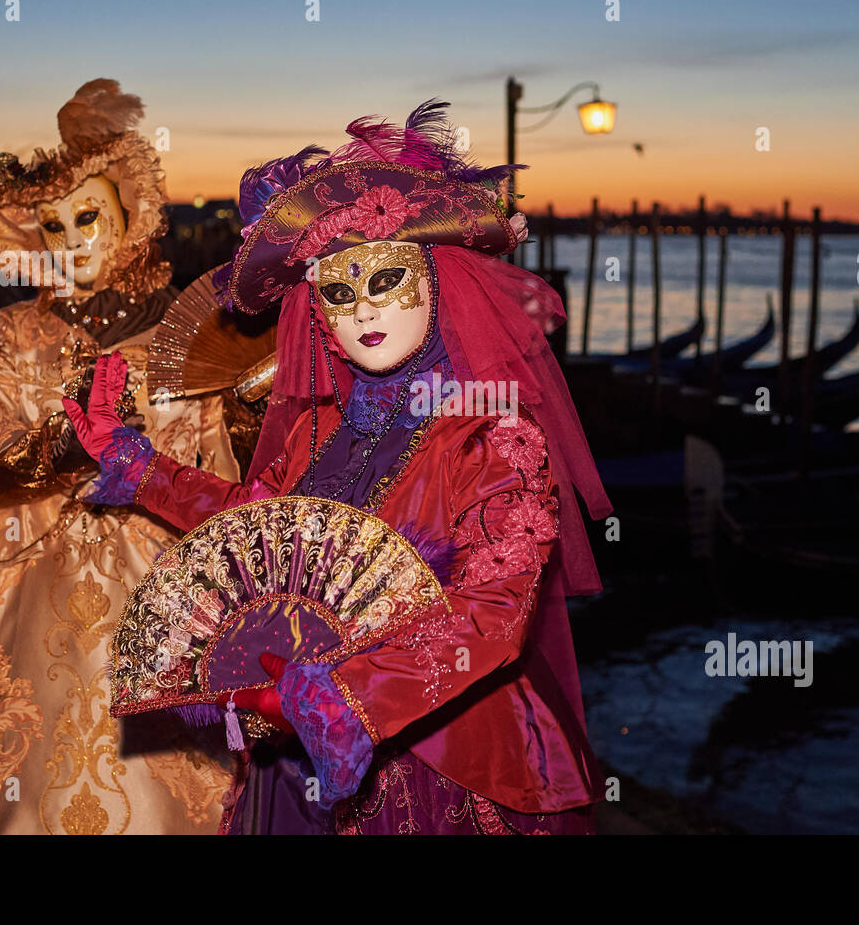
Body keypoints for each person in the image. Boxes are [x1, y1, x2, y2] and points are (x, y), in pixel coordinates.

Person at [67, 101, 611, 834]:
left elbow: (493, 613)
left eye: (385, 278)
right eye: (336, 289)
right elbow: (254, 531)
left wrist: (343, 699)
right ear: (315, 309)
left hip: (441, 758)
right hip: (291, 760)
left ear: (439, 277)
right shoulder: (322, 430)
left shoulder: (492, 436)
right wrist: (138, 466)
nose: (361, 310)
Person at [0, 80, 255, 834]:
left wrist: (245, 409)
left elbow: (224, 476)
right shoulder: (20, 332)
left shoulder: (193, 330)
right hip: (39, 573)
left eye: (89, 217)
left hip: (167, 584)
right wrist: (57, 450)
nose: (72, 239)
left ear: (129, 218)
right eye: (52, 225)